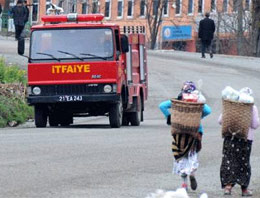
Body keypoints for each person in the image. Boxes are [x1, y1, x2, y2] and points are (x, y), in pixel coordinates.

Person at [159, 81, 211, 191]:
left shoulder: (178, 101)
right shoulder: (197, 101)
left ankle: (183, 183)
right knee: (193, 155)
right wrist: (197, 117)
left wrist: (171, 117)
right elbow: (208, 110)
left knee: (181, 156)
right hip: (195, 132)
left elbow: (162, 106)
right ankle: (192, 173)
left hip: (180, 132)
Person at [218, 87, 259, 196]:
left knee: (229, 161)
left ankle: (228, 187)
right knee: (243, 163)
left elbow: (220, 121)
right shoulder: (252, 107)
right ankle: (244, 190)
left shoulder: (231, 105)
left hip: (230, 138)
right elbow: (255, 124)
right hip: (245, 139)